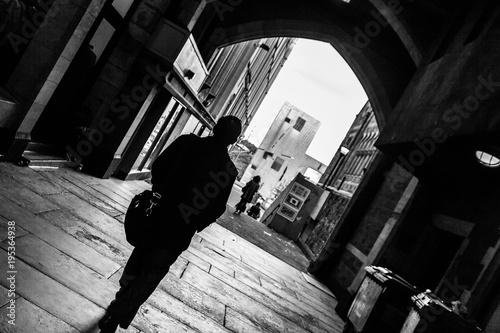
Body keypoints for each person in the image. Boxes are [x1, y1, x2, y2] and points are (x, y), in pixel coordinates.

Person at [98, 116, 242, 332]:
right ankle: (118, 313)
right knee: (151, 273)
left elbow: (159, 166)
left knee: (137, 262)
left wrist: (161, 191)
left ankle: (119, 305)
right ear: (234, 139)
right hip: (180, 230)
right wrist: (194, 222)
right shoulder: (228, 171)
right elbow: (216, 208)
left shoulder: (187, 143)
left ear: (214, 127)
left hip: (156, 215)